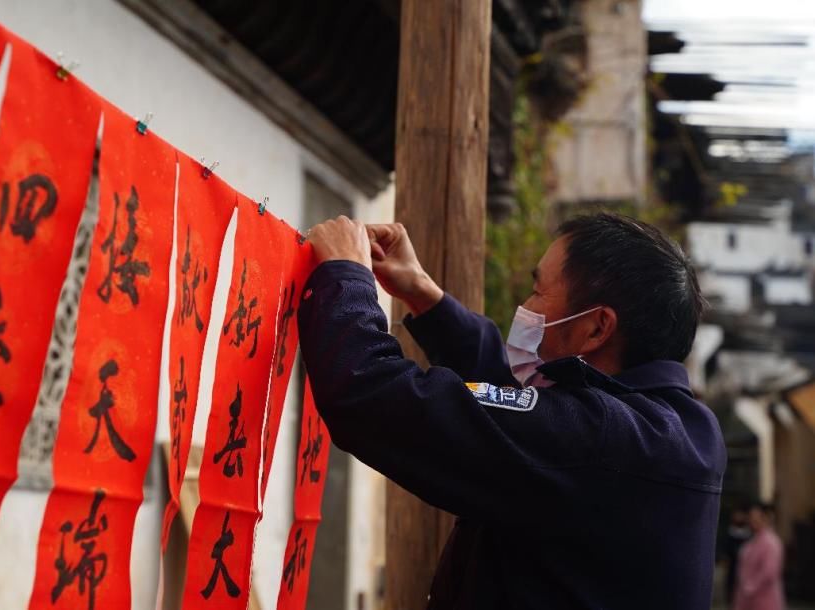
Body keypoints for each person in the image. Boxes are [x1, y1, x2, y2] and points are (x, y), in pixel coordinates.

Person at [298, 212, 727, 609]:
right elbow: (514, 398)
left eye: (539, 291)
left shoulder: (606, 441)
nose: (527, 305)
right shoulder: (676, 427)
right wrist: (425, 295)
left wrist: (346, 276)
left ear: (597, 327)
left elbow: (371, 393)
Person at [733, 502, 784, 610]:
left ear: (765, 518)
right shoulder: (753, 540)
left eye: (755, 517)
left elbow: (769, 572)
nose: (751, 520)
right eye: (751, 517)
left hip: (763, 599)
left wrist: (749, 588)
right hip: (747, 598)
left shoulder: (771, 542)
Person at [724, 506, 753, 606]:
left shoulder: (749, 533)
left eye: (741, 515)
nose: (738, 517)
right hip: (733, 564)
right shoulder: (730, 531)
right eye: (737, 515)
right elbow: (727, 548)